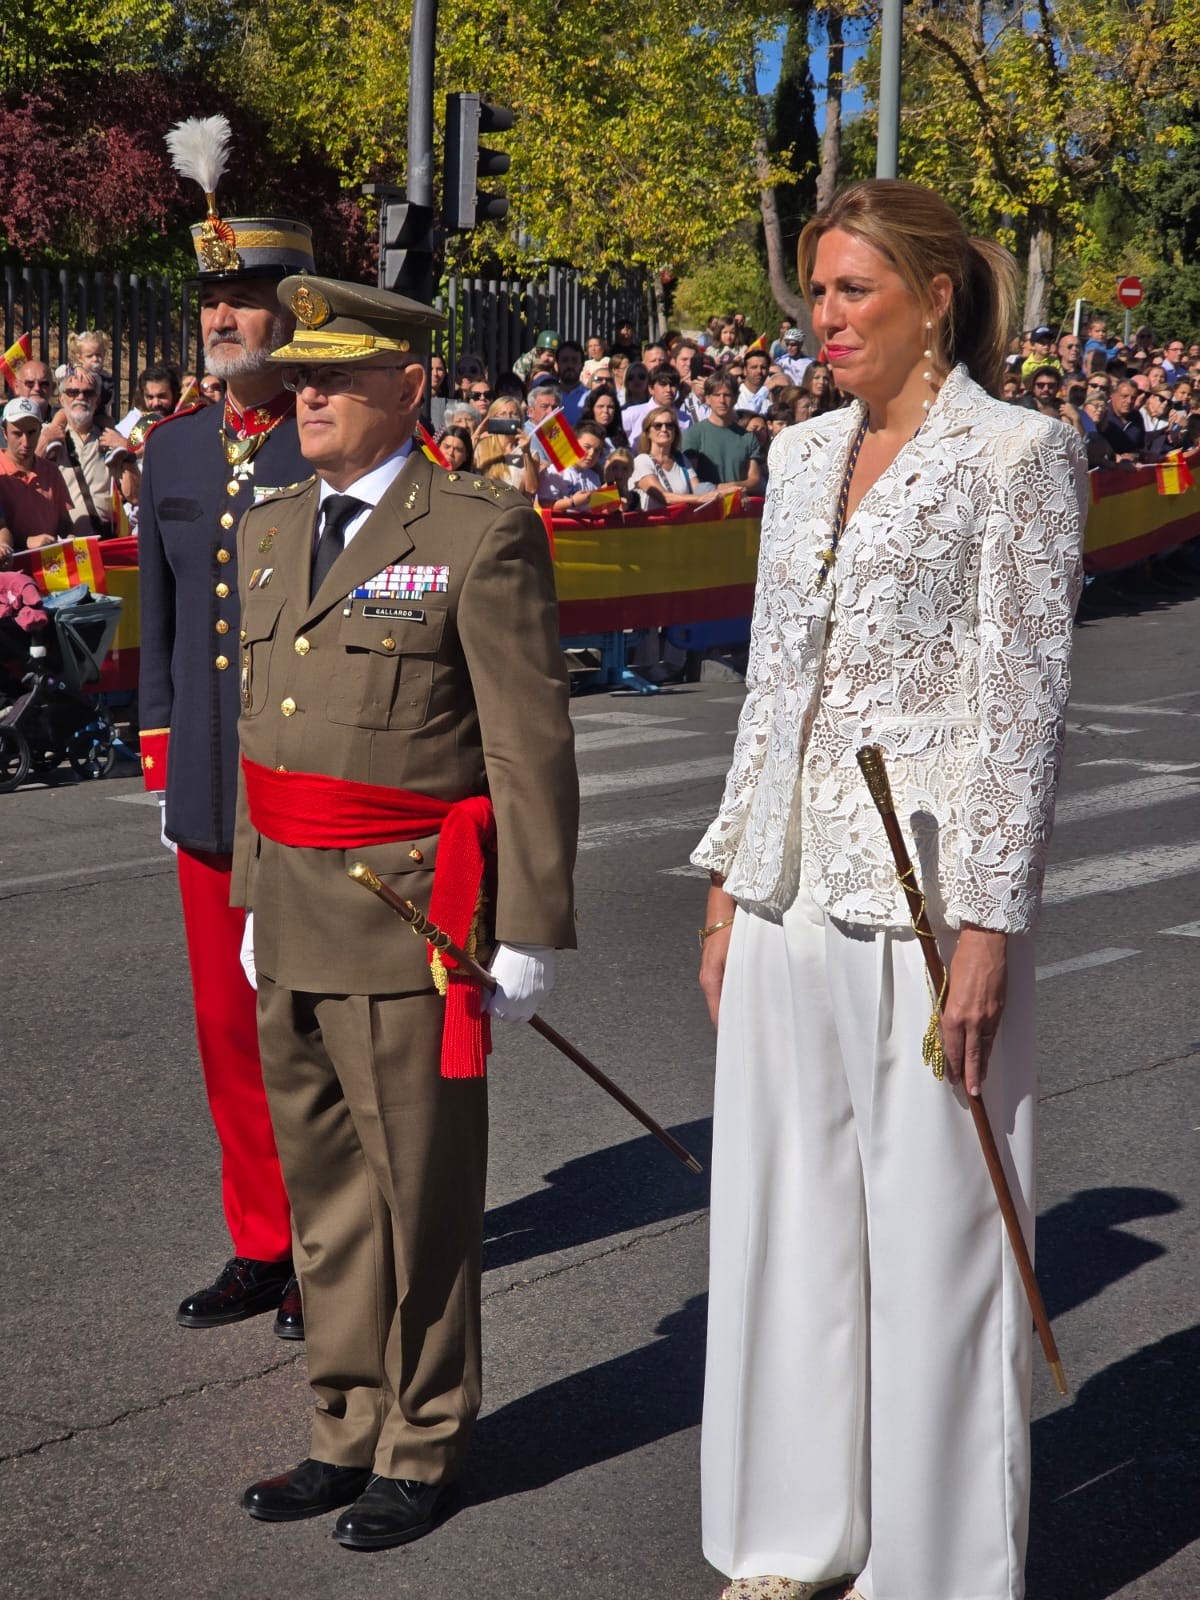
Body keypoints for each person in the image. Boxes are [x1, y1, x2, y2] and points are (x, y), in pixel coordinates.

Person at [692, 178, 1087, 1600]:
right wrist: (732, 879)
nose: (824, 316)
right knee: (786, 1218)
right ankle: (793, 1537)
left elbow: (1024, 704)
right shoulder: (799, 458)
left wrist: (989, 926)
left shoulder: (1020, 454)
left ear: (933, 294)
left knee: (940, 1239)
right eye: (816, 289)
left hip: (930, 894)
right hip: (796, 883)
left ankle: (938, 1570)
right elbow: (772, 684)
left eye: (854, 289)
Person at [231, 273, 577, 1548]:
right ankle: (343, 1423)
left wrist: (529, 930)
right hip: (293, 908)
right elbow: (269, 737)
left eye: (332, 375)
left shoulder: (477, 529)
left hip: (413, 924)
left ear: (408, 385)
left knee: (421, 1198)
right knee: (325, 1201)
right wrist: (255, 894)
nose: (302, 393)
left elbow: (527, 745)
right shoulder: (270, 526)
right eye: (294, 376)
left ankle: (424, 1442)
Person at [138, 121, 315, 1337]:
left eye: (244, 299)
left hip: (311, 780)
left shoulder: (332, 440)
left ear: (292, 314)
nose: (222, 319)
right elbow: (157, 611)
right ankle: (263, 1238)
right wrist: (160, 754)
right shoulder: (174, 447)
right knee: (227, 1024)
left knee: (313, 1020)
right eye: (212, 298)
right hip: (208, 779)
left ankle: (338, 1245)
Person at [36, 364, 125, 534]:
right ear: (61, 399)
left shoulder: (110, 437)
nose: (80, 397)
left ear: (97, 400)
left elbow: (135, 496)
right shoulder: (46, 436)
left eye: (88, 393)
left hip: (105, 544)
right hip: (65, 546)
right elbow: (23, 476)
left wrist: (126, 452)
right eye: (73, 392)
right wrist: (45, 439)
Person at [0, 397, 75, 558]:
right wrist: (27, 541)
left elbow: (64, 521)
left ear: (40, 431)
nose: (25, 442)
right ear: (4, 433)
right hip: (12, 569)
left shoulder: (51, 471)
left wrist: (70, 538)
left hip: (51, 565)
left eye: (31, 432)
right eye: (17, 433)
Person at [684, 373, 764, 494]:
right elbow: (691, 481)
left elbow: (754, 480)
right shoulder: (693, 434)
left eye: (727, 395)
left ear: (736, 398)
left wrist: (731, 486)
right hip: (706, 507)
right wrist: (716, 491)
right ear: (707, 399)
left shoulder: (748, 437)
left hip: (739, 507)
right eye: (716, 395)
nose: (722, 400)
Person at [632, 407, 716, 508]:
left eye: (669, 426)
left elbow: (697, 489)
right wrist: (699, 499)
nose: (664, 429)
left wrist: (724, 490)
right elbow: (664, 497)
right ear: (648, 433)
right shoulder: (641, 461)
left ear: (675, 431)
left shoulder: (681, 459)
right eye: (658, 426)